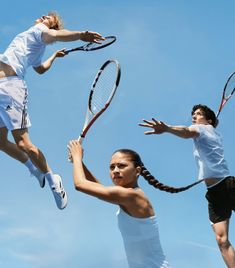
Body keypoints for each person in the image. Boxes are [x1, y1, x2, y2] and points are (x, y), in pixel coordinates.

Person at [0, 11, 104, 210]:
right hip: (1, 88)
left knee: (23, 143)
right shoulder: (35, 46)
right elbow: (40, 69)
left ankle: (52, 179)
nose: (43, 16)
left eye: (49, 18)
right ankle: (35, 170)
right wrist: (55, 56)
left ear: (51, 26)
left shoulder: (40, 31)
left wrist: (81, 35)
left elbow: (55, 36)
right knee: (0, 141)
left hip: (10, 89)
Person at [139, 104, 235, 268]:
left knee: (222, 240)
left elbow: (187, 131)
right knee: (221, 240)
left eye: (198, 114)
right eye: (193, 114)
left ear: (209, 120)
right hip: (213, 192)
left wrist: (167, 128)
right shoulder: (210, 131)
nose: (194, 116)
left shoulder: (203, 129)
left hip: (227, 186)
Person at [67, 140, 170, 268]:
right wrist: (79, 163)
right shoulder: (127, 195)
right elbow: (99, 188)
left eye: (121, 166)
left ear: (137, 171)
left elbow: (80, 185)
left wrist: (77, 156)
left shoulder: (133, 196)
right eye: (112, 167)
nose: (115, 170)